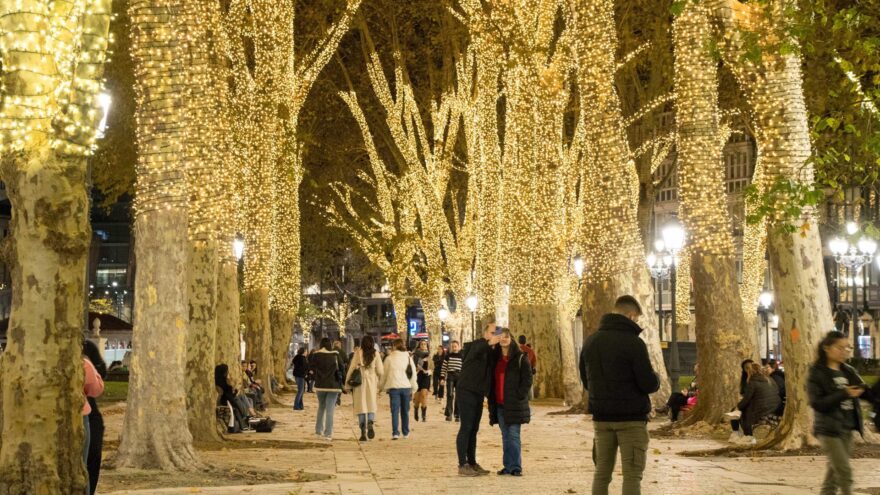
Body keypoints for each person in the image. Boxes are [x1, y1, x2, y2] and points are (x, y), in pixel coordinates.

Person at [580, 295, 659, 495]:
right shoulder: (633, 343)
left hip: (601, 418)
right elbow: (647, 383)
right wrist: (656, 378)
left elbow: (585, 379)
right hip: (631, 419)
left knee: (601, 473)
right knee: (632, 475)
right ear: (631, 316)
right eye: (637, 319)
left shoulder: (591, 341)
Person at [808, 331, 873, 495]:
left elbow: (863, 390)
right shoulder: (817, 373)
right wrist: (844, 393)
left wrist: (863, 390)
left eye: (847, 348)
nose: (845, 351)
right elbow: (817, 403)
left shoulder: (848, 370)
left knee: (833, 478)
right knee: (845, 472)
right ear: (826, 348)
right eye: (840, 347)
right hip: (828, 430)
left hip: (847, 428)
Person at [455, 322, 502, 477]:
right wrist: (490, 343)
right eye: (494, 332)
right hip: (466, 390)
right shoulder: (477, 345)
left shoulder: (493, 351)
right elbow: (478, 350)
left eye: (498, 332)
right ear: (486, 334)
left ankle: (473, 462)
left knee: (474, 428)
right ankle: (463, 464)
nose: (496, 335)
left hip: (478, 392)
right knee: (466, 427)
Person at [489, 328, 532, 476]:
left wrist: (519, 395)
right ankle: (507, 466)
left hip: (514, 403)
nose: (504, 339)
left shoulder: (520, 357)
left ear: (511, 339)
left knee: (513, 435)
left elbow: (527, 379)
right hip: (500, 404)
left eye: (506, 336)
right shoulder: (496, 359)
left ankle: (515, 467)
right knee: (505, 436)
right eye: (501, 337)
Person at [345, 335, 384, 442]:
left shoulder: (358, 353)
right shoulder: (375, 354)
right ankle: (370, 423)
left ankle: (362, 430)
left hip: (359, 383)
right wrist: (381, 385)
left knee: (361, 405)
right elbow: (380, 371)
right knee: (371, 404)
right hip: (371, 383)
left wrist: (347, 385)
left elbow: (351, 368)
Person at [380, 338, 418, 439]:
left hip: (394, 387)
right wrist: (414, 387)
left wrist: (380, 387)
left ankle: (395, 433)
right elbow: (413, 373)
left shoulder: (389, 358)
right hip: (406, 387)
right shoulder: (408, 358)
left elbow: (384, 374)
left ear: (394, 346)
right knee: (405, 411)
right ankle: (405, 432)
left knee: (395, 411)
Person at [83, 340, 107, 495]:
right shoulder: (83, 360)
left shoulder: (88, 347)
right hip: (84, 412)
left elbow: (102, 370)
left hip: (89, 413)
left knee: (91, 456)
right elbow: (96, 387)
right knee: (87, 458)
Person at [312, 338, 345, 441]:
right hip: (333, 386)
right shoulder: (335, 355)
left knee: (321, 407)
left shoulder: (316, 355)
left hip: (320, 385)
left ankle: (318, 431)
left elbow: (311, 367)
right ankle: (328, 434)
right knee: (330, 410)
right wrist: (343, 382)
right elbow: (342, 368)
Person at [737, 362, 781, 437]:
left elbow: (746, 399)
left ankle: (747, 436)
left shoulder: (753, 382)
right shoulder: (770, 379)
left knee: (741, 413)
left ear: (749, 372)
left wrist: (738, 407)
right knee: (745, 410)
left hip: (763, 409)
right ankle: (745, 435)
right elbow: (776, 392)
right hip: (776, 407)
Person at [215, 364, 255, 432]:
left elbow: (229, 394)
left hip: (229, 399)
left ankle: (247, 416)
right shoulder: (224, 381)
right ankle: (247, 414)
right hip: (226, 401)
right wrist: (235, 392)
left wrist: (235, 391)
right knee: (238, 401)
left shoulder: (220, 380)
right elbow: (228, 396)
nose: (228, 372)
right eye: (226, 371)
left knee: (243, 397)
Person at [441, 341, 463, 421]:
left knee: (458, 396)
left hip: (459, 377)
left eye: (455, 346)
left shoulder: (462, 356)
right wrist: (442, 378)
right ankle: (449, 414)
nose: (454, 348)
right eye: (453, 346)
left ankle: (458, 415)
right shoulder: (448, 356)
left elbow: (465, 369)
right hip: (450, 376)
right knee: (450, 395)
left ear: (459, 347)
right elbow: (443, 368)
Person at [413, 352, 431, 422]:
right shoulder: (416, 357)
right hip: (417, 378)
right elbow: (412, 368)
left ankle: (424, 415)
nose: (423, 346)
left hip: (426, 378)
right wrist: (417, 369)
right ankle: (416, 410)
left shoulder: (429, 358)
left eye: (425, 344)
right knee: (417, 398)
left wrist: (427, 371)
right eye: (422, 344)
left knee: (423, 395)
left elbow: (432, 368)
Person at [334, 340, 349, 406]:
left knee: (334, 386)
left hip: (331, 372)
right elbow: (346, 360)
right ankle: (338, 399)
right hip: (340, 370)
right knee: (339, 386)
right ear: (339, 345)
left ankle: (334, 399)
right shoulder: (342, 352)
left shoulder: (331, 351)